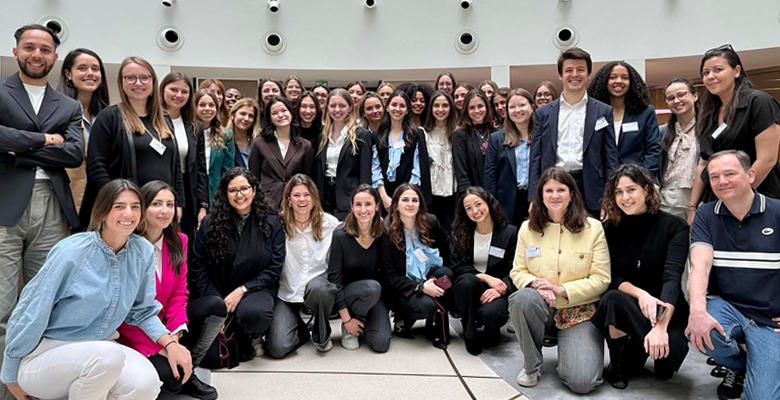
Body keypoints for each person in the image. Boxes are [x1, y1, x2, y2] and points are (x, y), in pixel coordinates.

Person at [1, 180, 191, 400]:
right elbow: (33, 309)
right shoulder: (72, 251)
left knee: (146, 384)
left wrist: (170, 343)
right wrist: (10, 377)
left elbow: (143, 311)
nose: (128, 213)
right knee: (108, 356)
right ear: (102, 212)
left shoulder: (143, 252)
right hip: (47, 353)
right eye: (119, 206)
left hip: (100, 349)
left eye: (135, 206)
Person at [0, 24, 85, 399]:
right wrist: (41, 140)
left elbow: (74, 153)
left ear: (55, 56)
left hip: (52, 205)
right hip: (6, 205)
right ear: (16, 51)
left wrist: (16, 148)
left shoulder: (68, 105)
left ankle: (38, 387)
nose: (37, 54)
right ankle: (6, 389)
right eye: (29, 47)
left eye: (45, 49)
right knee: (2, 305)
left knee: (43, 304)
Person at [117, 181, 225, 399]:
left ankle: (187, 367)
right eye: (157, 204)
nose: (164, 210)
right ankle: (177, 370)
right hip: (136, 329)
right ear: (142, 208)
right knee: (171, 382)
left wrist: (173, 340)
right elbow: (127, 311)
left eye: (169, 204)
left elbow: (179, 294)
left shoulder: (179, 241)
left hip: (167, 323)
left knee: (215, 306)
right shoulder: (126, 247)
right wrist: (163, 345)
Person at [686, 150, 780, 400]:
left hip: (768, 319)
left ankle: (761, 366)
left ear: (750, 175)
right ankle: (740, 366)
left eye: (729, 174)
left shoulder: (777, 212)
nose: (722, 181)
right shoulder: (706, 215)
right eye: (714, 177)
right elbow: (700, 266)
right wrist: (696, 311)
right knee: (705, 332)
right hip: (726, 308)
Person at [508, 167, 610, 393]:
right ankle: (532, 365)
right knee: (522, 299)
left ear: (571, 193)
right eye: (549, 190)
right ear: (541, 195)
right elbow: (518, 271)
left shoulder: (593, 228)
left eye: (561, 190)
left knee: (583, 383)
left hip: (578, 310)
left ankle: (569, 353)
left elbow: (602, 279)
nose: (555, 196)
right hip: (541, 305)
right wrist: (536, 284)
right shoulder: (528, 228)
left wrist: (560, 289)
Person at [591, 164, 690, 389]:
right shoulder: (610, 228)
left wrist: (661, 326)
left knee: (666, 365)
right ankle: (618, 362)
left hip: (667, 307)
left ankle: (640, 346)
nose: (625, 197)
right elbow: (610, 276)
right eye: (618, 192)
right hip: (631, 306)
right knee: (611, 299)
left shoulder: (675, 226)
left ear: (646, 189)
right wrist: (641, 294)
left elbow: (672, 278)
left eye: (631, 189)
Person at [190, 168, 285, 368]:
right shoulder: (209, 223)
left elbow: (274, 267)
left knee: (254, 314)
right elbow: (197, 265)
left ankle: (253, 335)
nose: (239, 195)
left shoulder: (272, 222)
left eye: (244, 188)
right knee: (212, 360)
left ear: (254, 190)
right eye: (233, 190)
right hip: (217, 290)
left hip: (255, 288)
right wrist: (217, 303)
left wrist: (243, 290)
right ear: (225, 193)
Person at [82, 56, 185, 231]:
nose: (138, 83)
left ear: (153, 82)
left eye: (144, 77)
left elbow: (175, 167)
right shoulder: (110, 117)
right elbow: (96, 166)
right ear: (122, 83)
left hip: (160, 212)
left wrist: (177, 202)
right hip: (126, 212)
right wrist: (117, 203)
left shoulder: (164, 120)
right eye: (130, 77)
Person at [687, 45, 780, 225]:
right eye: (705, 73)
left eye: (718, 70)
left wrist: (738, 198)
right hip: (717, 202)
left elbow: (767, 159)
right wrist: (692, 207)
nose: (710, 76)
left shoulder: (758, 102)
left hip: (757, 199)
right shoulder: (709, 113)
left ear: (737, 71)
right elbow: (703, 163)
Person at [529, 47, 619, 218]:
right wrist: (534, 197)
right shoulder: (544, 113)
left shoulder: (603, 111)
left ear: (589, 74)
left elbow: (610, 157)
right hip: (554, 186)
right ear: (560, 75)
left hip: (590, 187)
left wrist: (610, 197)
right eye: (569, 70)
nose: (575, 74)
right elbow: (536, 157)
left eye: (580, 70)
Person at [311, 184, 392, 352]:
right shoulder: (340, 235)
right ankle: (349, 328)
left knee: (381, 344)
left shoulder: (382, 235)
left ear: (377, 206)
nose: (363, 210)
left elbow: (386, 273)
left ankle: (362, 321)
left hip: (373, 296)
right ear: (352, 207)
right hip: (346, 295)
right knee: (372, 287)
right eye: (358, 204)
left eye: (368, 204)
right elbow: (334, 281)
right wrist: (347, 320)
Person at [265, 175, 340, 356]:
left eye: (306, 195)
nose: (302, 200)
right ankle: (302, 329)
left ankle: (321, 331)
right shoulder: (278, 225)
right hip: (288, 292)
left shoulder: (330, 224)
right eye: (296, 195)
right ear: (289, 200)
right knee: (277, 348)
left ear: (314, 198)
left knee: (320, 288)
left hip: (318, 292)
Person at [377, 184, 453, 349]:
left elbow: (446, 248)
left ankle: (436, 325)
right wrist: (420, 288)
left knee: (446, 274)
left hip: (429, 276)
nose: (410, 204)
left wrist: (435, 282)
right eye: (405, 200)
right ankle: (402, 317)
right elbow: (389, 277)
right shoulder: (387, 231)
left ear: (420, 204)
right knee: (426, 306)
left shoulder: (430, 222)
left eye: (414, 200)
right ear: (396, 204)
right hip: (400, 288)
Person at [451, 187, 518, 356]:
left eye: (478, 204)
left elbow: (515, 268)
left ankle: (490, 326)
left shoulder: (509, 232)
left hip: (497, 288)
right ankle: (469, 331)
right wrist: (484, 277)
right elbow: (457, 266)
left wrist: (499, 288)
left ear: (488, 202)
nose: (475, 211)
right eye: (468, 208)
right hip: (470, 288)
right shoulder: (461, 232)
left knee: (493, 314)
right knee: (467, 281)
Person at [588, 62, 662, 178]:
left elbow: (653, 149)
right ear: (604, 82)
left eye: (624, 77)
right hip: (601, 183)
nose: (618, 81)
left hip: (636, 181)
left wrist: (642, 178)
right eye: (612, 77)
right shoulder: (594, 114)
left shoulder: (645, 112)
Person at [58, 48, 110, 213]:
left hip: (103, 198)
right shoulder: (55, 111)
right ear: (68, 73)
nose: (90, 73)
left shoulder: (109, 115)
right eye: (82, 68)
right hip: (68, 197)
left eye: (95, 69)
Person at [161, 72, 209, 240]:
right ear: (162, 90)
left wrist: (203, 205)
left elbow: (201, 169)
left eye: (184, 91)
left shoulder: (195, 127)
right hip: (162, 185)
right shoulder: (153, 121)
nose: (178, 95)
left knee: (185, 241)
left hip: (189, 190)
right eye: (173, 89)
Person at [314, 89, 373, 219]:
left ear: (350, 108)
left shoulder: (361, 135)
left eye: (342, 106)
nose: (337, 110)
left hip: (349, 196)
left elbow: (365, 172)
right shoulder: (322, 134)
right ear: (327, 108)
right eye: (333, 106)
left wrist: (364, 199)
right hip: (324, 196)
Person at [249, 96, 314, 211]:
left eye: (284, 110)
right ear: (270, 118)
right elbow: (254, 177)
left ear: (291, 113)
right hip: (267, 203)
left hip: (295, 205)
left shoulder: (305, 145)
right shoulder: (259, 143)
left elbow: (306, 178)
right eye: (274, 113)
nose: (280, 115)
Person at [372, 90, 433, 211]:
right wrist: (384, 197)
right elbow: (375, 168)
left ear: (407, 110)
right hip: (384, 197)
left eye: (402, 106)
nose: (397, 109)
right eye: (394, 105)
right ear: (387, 107)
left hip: (410, 196)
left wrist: (406, 197)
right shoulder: (376, 135)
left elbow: (418, 167)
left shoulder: (417, 134)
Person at [484, 89, 535, 226]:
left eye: (522, 105)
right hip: (506, 202)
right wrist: (492, 206)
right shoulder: (496, 139)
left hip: (536, 200)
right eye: (512, 107)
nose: (517, 110)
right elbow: (490, 175)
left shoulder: (542, 136)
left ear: (532, 106)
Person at [660, 78, 699, 219]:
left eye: (681, 95)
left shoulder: (709, 129)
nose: (676, 101)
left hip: (699, 202)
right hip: (665, 203)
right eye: (671, 98)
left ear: (695, 96)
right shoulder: (661, 132)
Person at [424, 91, 458, 233]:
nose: (440, 109)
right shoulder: (423, 133)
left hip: (453, 195)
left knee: (451, 235)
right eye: (436, 105)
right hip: (431, 196)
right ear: (431, 108)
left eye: (445, 105)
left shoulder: (458, 132)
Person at [195, 89, 235, 203]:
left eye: (211, 105)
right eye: (202, 105)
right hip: (193, 190)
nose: (207, 108)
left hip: (216, 195)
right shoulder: (188, 132)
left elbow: (228, 171)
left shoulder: (226, 135)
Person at [453, 89, 494, 198]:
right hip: (471, 196)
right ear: (466, 110)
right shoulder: (460, 135)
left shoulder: (497, 132)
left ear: (487, 107)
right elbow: (462, 173)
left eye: (480, 106)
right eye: (472, 107)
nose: (477, 111)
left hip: (496, 195)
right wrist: (471, 197)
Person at [227, 98, 261, 169]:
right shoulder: (224, 140)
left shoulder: (259, 141)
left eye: (251, 116)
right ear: (233, 115)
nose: (246, 119)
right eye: (242, 114)